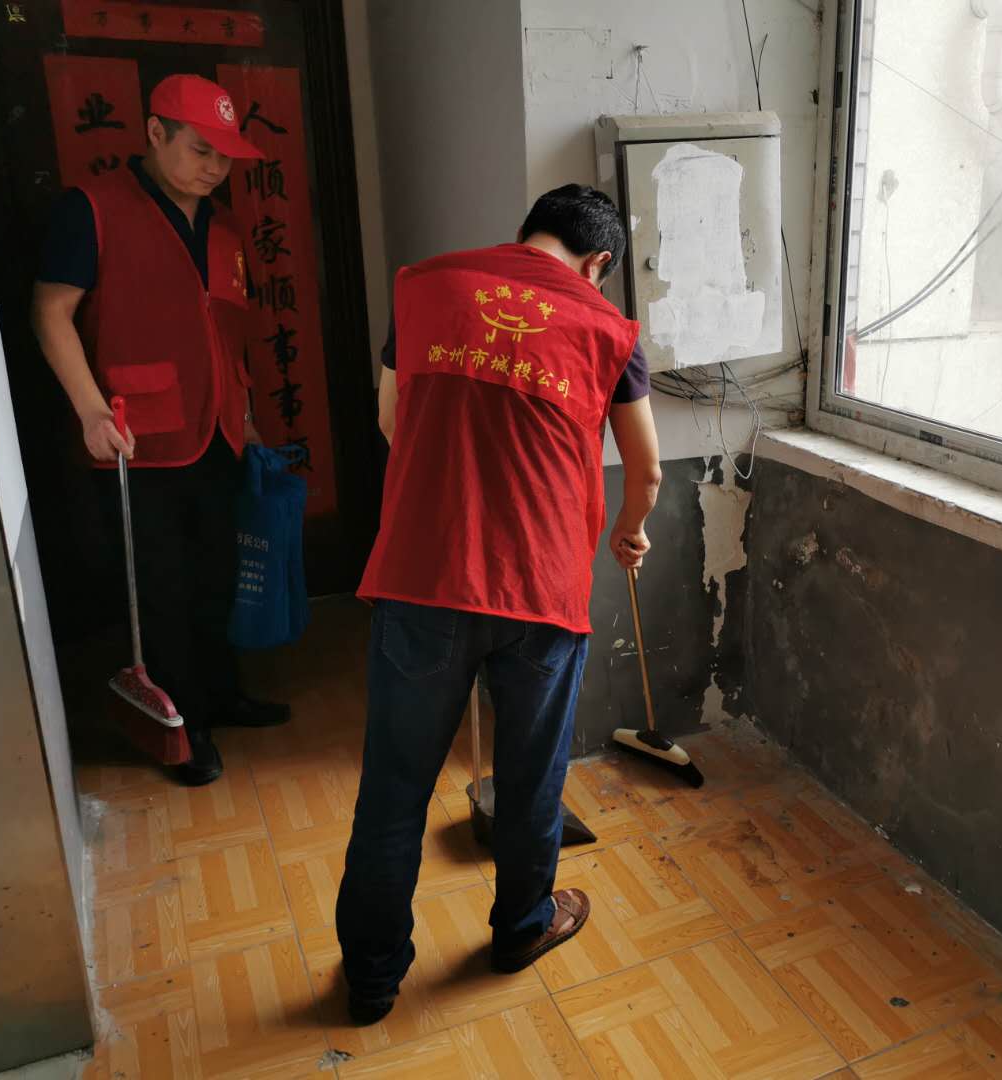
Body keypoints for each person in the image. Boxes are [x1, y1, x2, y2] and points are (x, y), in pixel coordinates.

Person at [335, 185, 662, 1024]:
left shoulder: (426, 288)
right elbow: (648, 469)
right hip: (540, 590)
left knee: (395, 789)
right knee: (531, 777)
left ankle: (371, 977)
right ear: (598, 263)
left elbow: (391, 418)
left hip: (422, 576)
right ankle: (521, 928)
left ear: (525, 234)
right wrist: (628, 532)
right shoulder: (607, 328)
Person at [31, 74, 291, 787]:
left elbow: (227, 335)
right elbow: (51, 312)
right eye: (202, 150)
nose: (216, 168)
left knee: (216, 575)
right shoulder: (93, 209)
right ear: (154, 132)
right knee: (163, 588)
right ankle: (186, 725)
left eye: (225, 156)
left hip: (218, 434)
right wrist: (90, 410)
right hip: (136, 439)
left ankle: (222, 693)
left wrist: (246, 418)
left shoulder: (224, 226)